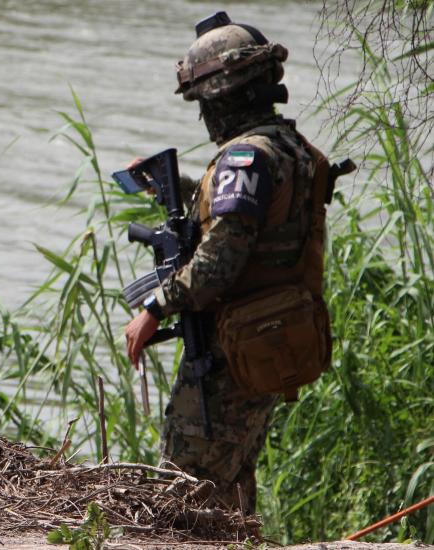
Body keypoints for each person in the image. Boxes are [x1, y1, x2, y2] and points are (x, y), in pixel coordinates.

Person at [123, 12, 332, 515]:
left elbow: (220, 259)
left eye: (203, 102)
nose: (203, 116)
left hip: (233, 346)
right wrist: (177, 187)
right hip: (269, 334)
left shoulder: (246, 158)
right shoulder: (290, 148)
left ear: (221, 96)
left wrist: (154, 307)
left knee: (185, 485)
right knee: (232, 485)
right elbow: (257, 218)